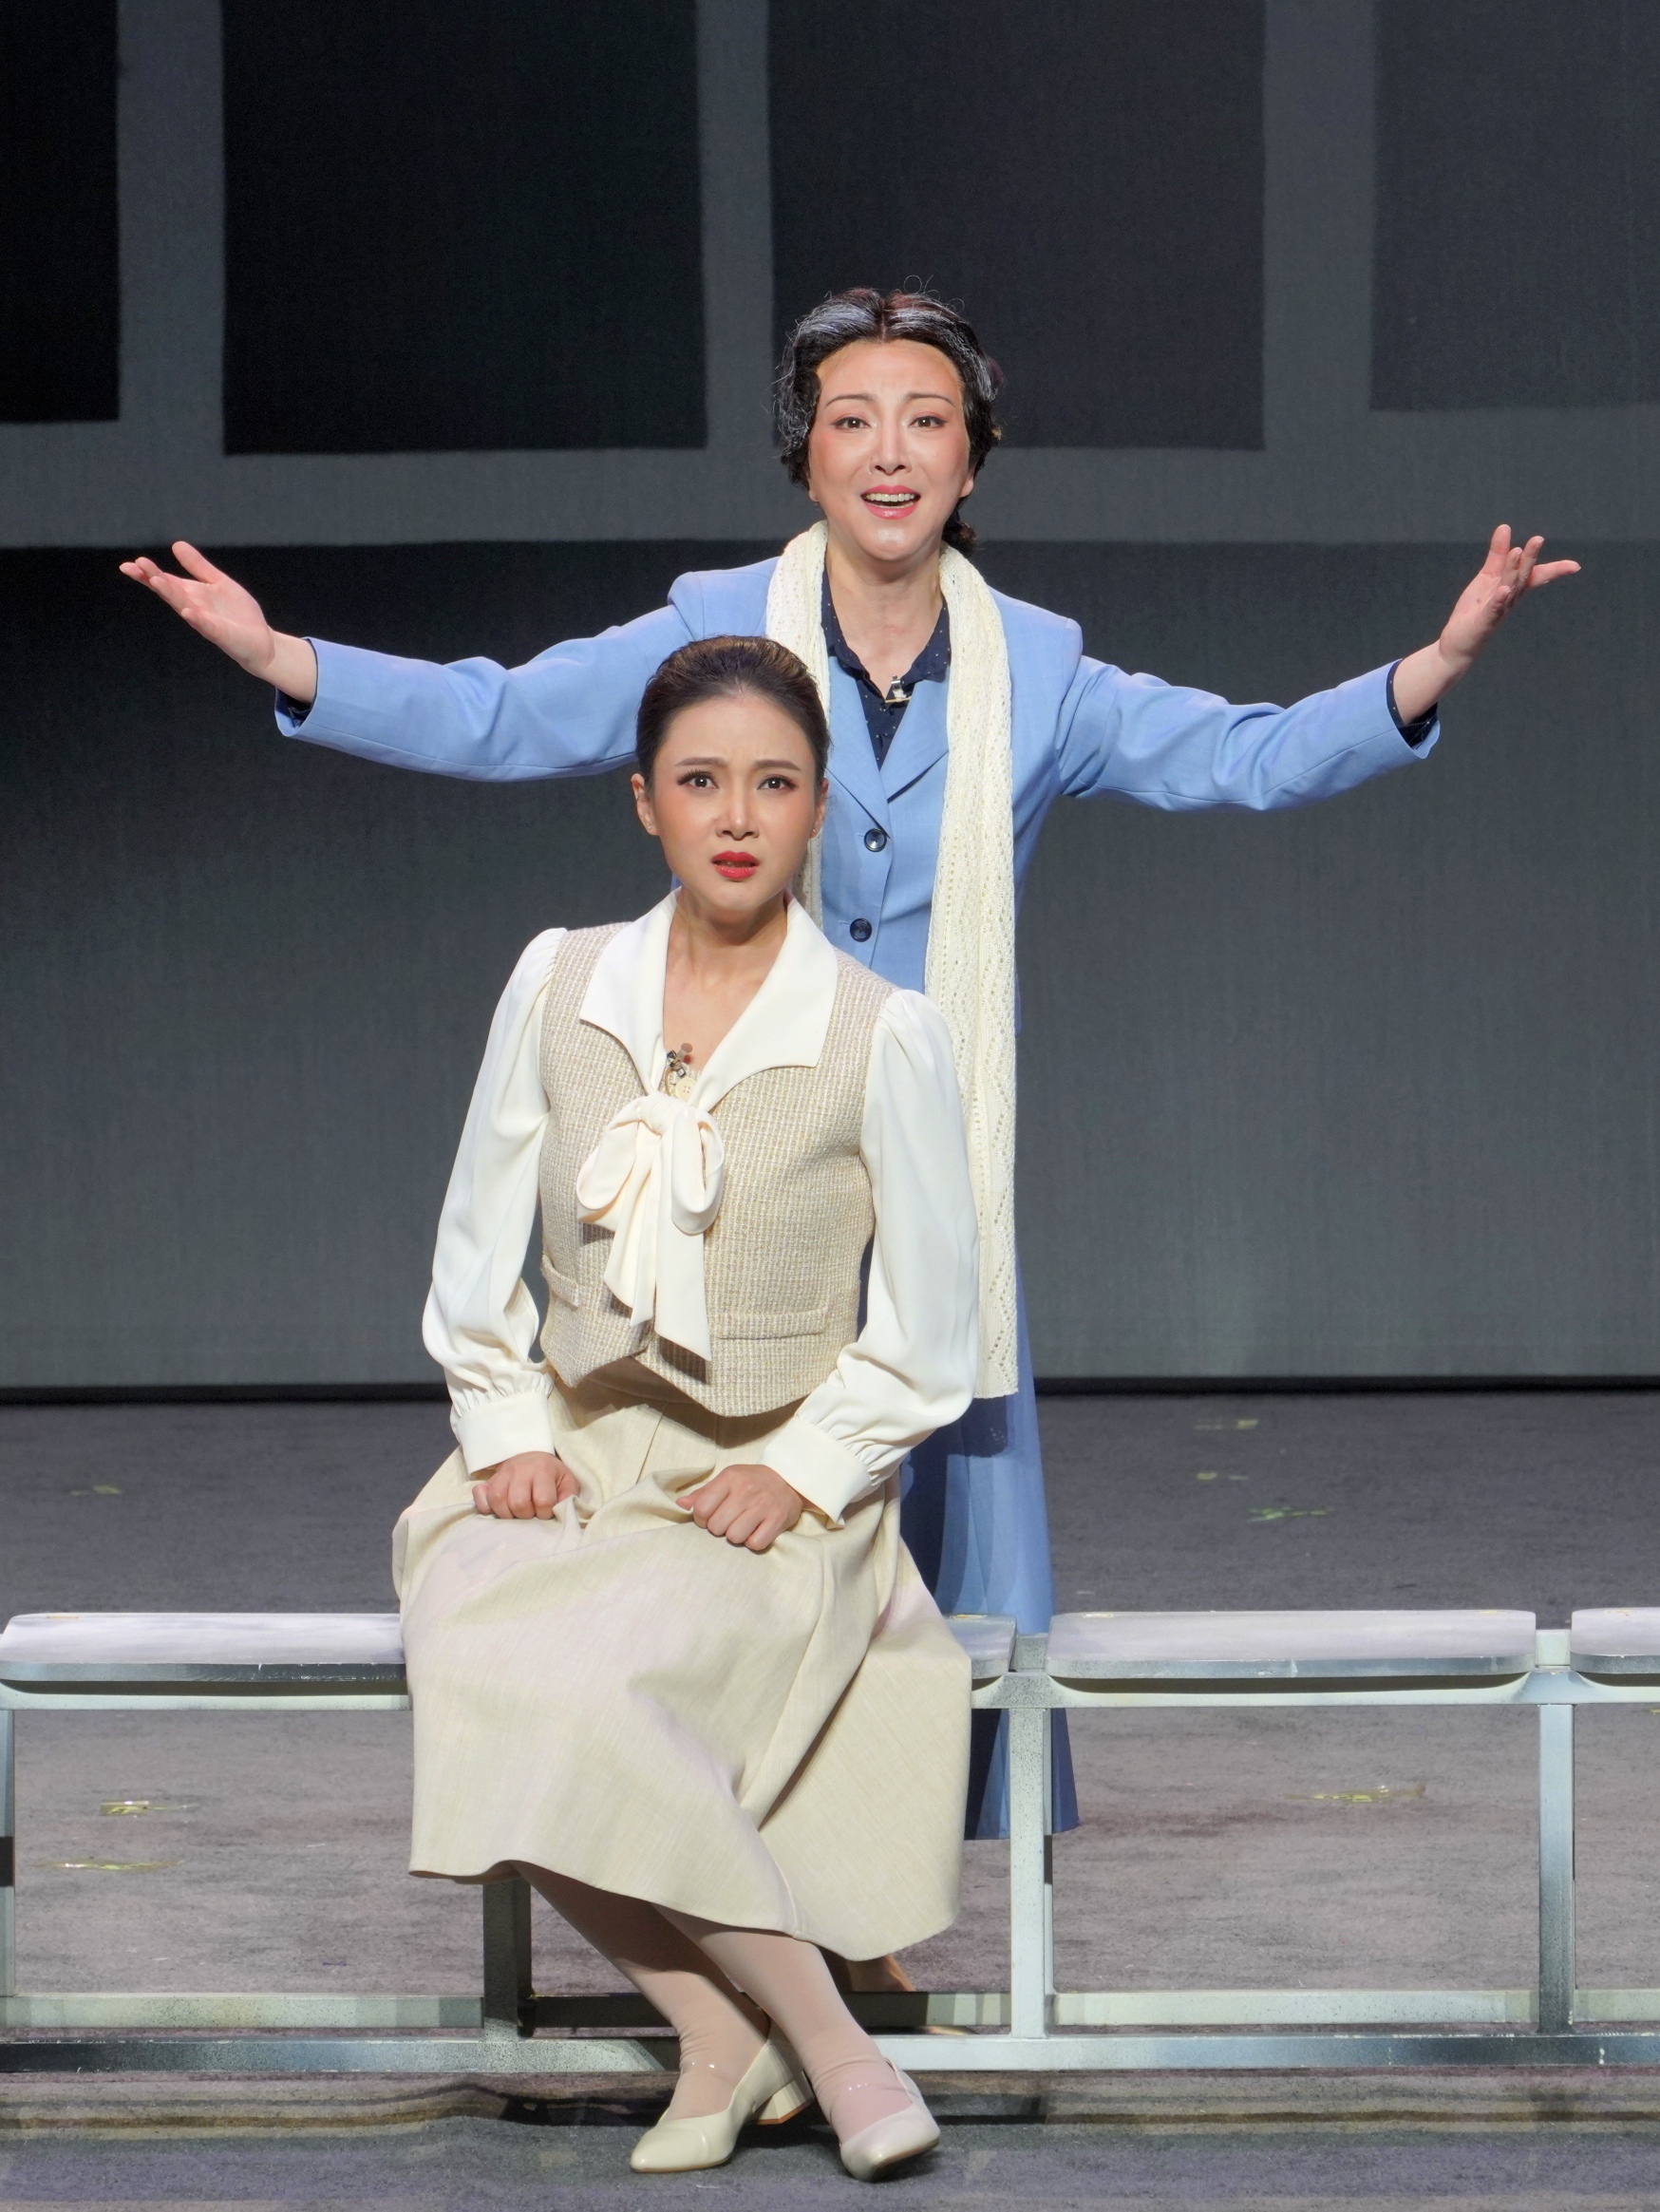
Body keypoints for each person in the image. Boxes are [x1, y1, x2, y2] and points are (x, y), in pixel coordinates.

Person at [121, 287, 1579, 1843]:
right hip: (754, 1172)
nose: (891, 453)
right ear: (805, 456)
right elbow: (503, 716)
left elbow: (1249, 755)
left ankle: (901, 1887)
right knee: (720, 1557)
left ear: (972, 459)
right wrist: (288, 659)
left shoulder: (1038, 670)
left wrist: (1433, 662)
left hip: (930, 1165)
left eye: (926, 421)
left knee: (952, 1571)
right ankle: (718, 1831)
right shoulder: (715, 634)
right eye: (854, 421)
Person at [395, 633, 978, 2179]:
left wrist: (805, 1468)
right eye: (702, 780)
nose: (736, 814)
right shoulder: (560, 979)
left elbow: (934, 1328)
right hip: (576, 1449)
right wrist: (507, 1431)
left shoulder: (881, 1031)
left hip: (767, 1479)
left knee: (600, 1687)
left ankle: (785, 2044)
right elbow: (476, 1241)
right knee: (482, 1656)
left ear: (818, 809)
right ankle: (761, 2033)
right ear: (644, 799)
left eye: (774, 784)